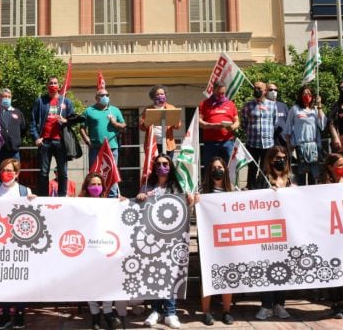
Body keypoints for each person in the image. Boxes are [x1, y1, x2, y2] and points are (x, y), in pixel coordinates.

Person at [138, 154, 194, 329]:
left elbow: (186, 210)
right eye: (159, 164)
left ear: (170, 167)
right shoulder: (148, 185)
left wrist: (190, 201)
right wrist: (140, 197)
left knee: (170, 274)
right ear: (154, 167)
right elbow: (139, 209)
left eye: (165, 164)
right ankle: (156, 310)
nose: (162, 166)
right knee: (154, 273)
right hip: (152, 238)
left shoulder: (177, 187)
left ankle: (170, 312)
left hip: (172, 238)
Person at [0, 159, 35, 329]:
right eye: (3, 170)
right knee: (4, 279)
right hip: (0, 242)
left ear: (17, 174)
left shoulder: (24, 191)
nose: (5, 173)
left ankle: (20, 313)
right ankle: (5, 313)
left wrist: (33, 201)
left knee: (20, 278)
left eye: (9, 170)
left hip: (19, 243)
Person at [77, 172, 123, 329]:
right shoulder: (79, 204)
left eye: (98, 184)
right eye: (92, 184)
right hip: (87, 251)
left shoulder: (109, 203)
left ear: (103, 187)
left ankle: (108, 312)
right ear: (86, 187)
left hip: (105, 249)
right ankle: (95, 316)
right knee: (90, 283)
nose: (95, 187)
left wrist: (122, 204)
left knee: (107, 282)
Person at [253, 146, 293, 320]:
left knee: (283, 268)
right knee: (267, 267)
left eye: (284, 157)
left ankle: (280, 305)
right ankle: (266, 305)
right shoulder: (263, 179)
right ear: (270, 160)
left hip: (287, 231)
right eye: (277, 157)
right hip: (268, 230)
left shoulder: (291, 180)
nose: (281, 160)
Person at [197, 157, 235, 326]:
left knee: (227, 273)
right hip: (208, 239)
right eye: (213, 168)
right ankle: (206, 312)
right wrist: (194, 200)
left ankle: (226, 311)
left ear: (225, 170)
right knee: (208, 275)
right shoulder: (202, 191)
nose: (217, 170)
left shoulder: (233, 190)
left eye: (220, 167)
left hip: (227, 240)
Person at [319, 153, 343, 319]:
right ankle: (335, 304)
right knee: (332, 269)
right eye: (339, 165)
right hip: (328, 235)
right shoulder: (321, 186)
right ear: (330, 167)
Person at [31, 75, 75, 197]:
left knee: (63, 172)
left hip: (61, 141)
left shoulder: (66, 101)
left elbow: (73, 119)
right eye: (50, 83)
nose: (53, 85)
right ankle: (44, 197)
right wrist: (36, 137)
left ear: (59, 86)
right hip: (45, 142)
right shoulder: (40, 101)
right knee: (44, 172)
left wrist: (65, 120)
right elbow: (33, 121)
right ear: (47, 85)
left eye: (55, 83)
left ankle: (62, 197)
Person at [80, 87, 126, 198]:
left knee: (112, 172)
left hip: (112, 147)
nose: (105, 97)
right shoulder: (88, 111)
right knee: (94, 173)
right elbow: (82, 128)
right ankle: (93, 195)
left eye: (107, 95)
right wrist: (87, 141)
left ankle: (113, 195)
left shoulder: (114, 110)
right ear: (96, 98)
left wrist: (114, 123)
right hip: (95, 148)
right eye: (102, 95)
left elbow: (123, 126)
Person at [285, 85, 327, 185]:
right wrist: (289, 143)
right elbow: (288, 127)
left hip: (314, 146)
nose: (307, 95)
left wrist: (319, 105)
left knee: (314, 175)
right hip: (300, 146)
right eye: (304, 93)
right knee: (302, 174)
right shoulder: (295, 109)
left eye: (309, 93)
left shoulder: (315, 110)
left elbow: (322, 125)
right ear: (300, 95)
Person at [198, 79, 240, 177]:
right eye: (219, 93)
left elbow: (237, 121)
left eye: (223, 93)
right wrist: (212, 126)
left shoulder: (230, 104)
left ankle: (228, 188)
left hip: (227, 142)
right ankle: (209, 189)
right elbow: (199, 122)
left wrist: (232, 127)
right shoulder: (204, 104)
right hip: (210, 142)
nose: (222, 96)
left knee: (228, 167)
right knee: (209, 167)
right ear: (213, 90)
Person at [241, 81, 277, 188]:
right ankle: (251, 189)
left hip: (267, 143)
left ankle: (264, 188)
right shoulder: (248, 106)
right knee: (252, 168)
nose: (256, 90)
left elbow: (275, 123)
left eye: (259, 88)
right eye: (255, 88)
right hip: (252, 143)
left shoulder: (272, 105)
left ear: (265, 91)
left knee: (266, 169)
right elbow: (243, 123)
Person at [0, 88, 26, 184]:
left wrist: (15, 141)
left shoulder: (17, 112)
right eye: (4, 97)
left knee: (13, 177)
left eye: (9, 97)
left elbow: (23, 129)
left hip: (13, 151)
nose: (6, 99)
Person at [139, 85, 181, 158]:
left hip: (168, 144)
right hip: (153, 144)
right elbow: (142, 127)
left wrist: (174, 121)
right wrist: (147, 122)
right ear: (153, 97)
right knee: (154, 167)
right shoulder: (148, 109)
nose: (160, 96)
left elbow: (178, 125)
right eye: (157, 94)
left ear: (165, 95)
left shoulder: (171, 108)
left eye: (162, 94)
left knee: (167, 166)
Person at [266, 83, 289, 148]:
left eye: (275, 90)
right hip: (268, 142)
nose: (273, 92)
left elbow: (289, 124)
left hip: (283, 141)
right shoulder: (263, 106)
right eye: (270, 90)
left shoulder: (283, 106)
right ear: (266, 91)